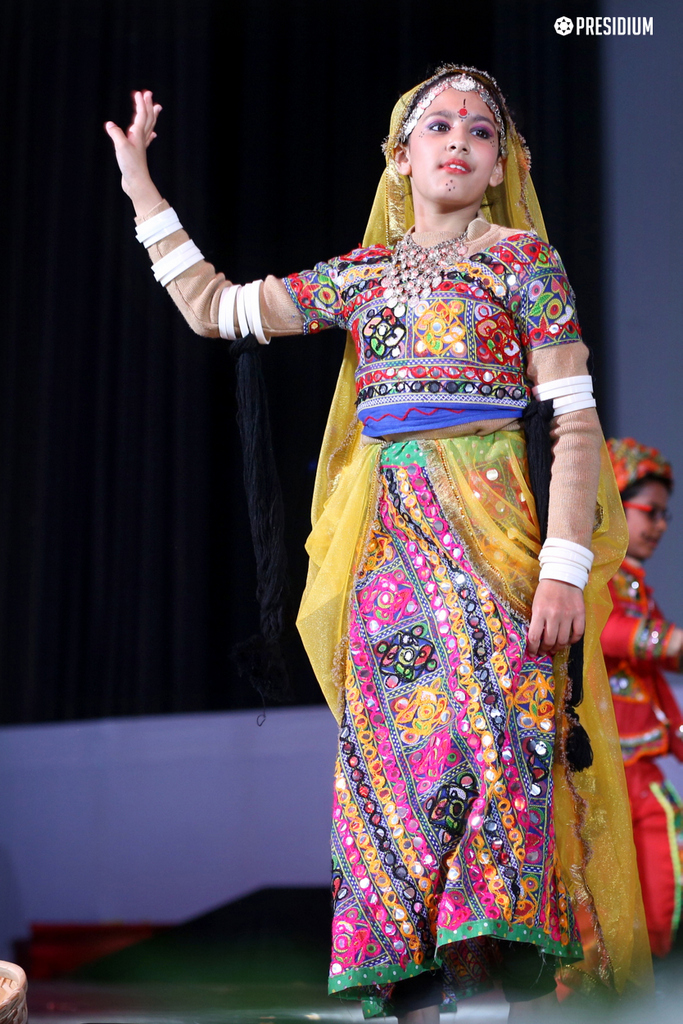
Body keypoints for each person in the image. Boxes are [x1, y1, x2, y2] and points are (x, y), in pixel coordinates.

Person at [105, 66, 650, 1020]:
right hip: (390, 567)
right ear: (399, 158)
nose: (458, 141)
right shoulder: (360, 278)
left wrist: (563, 569)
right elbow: (215, 308)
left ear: (501, 165)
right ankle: (413, 999)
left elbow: (572, 422)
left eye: (479, 131)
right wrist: (141, 187)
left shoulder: (524, 263)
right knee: (400, 780)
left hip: (506, 560)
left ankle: (498, 1001)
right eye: (436, 126)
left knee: (509, 766)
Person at [603, 438, 683, 959]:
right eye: (649, 511)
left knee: (661, 866)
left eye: (663, 514)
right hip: (599, 761)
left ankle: (651, 980)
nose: (659, 525)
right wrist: (667, 641)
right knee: (600, 892)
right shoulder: (590, 576)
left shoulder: (636, 586)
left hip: (640, 756)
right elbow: (605, 630)